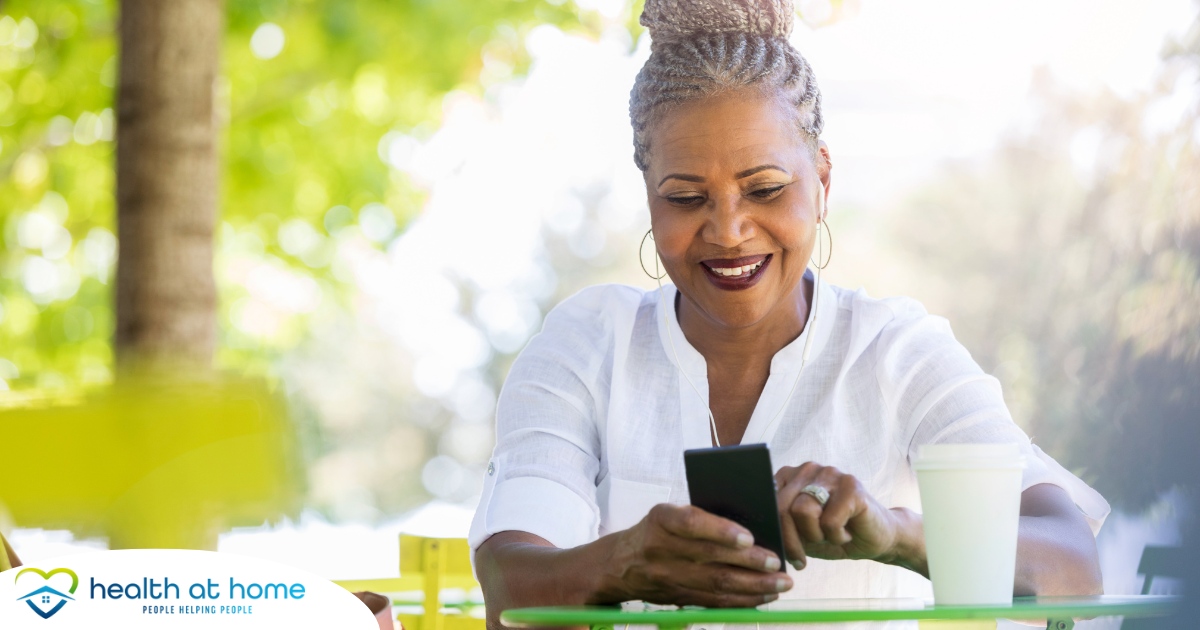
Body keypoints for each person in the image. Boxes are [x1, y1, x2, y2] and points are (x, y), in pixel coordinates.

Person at [470, 0, 1109, 627]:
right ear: (650, 199)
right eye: (687, 197)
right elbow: (509, 580)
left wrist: (896, 534)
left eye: (766, 189)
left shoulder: (896, 351)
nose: (728, 231)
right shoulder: (590, 343)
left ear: (823, 181)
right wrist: (625, 560)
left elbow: (1073, 566)